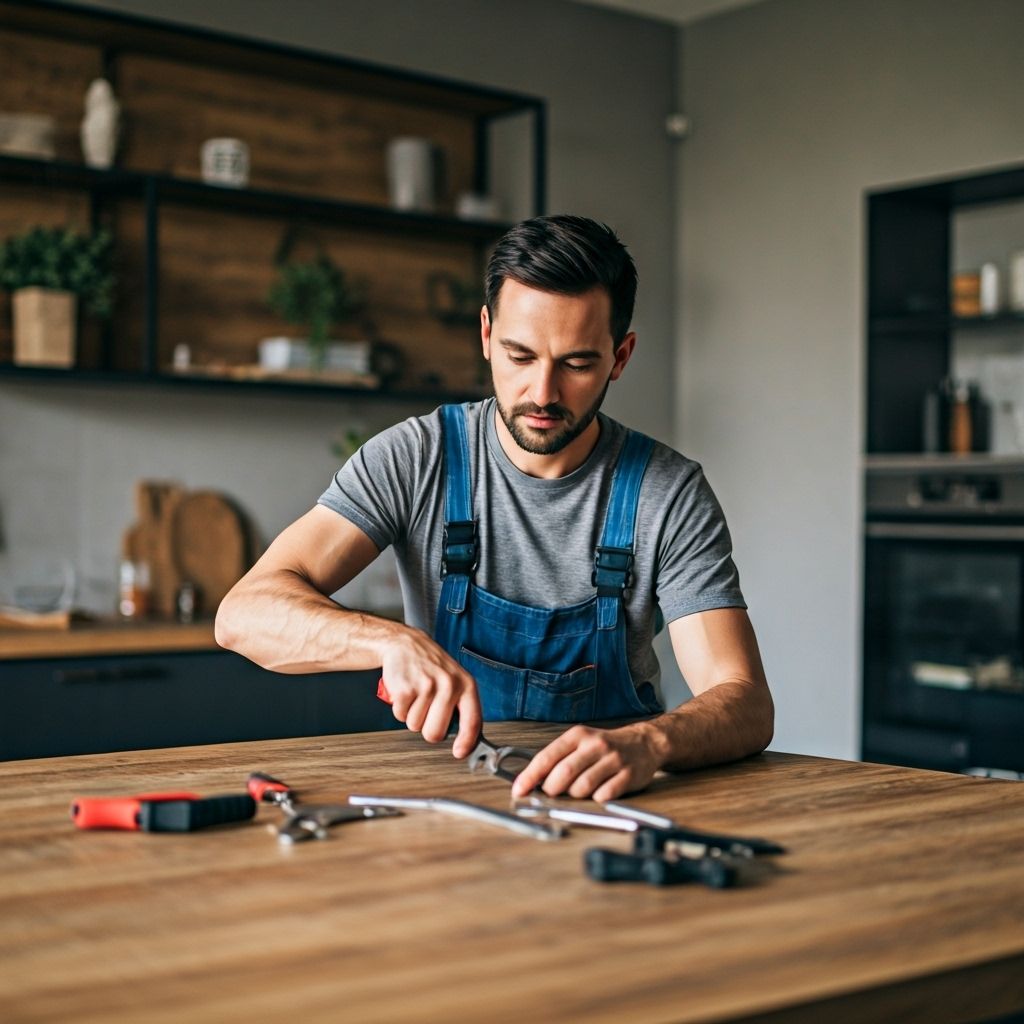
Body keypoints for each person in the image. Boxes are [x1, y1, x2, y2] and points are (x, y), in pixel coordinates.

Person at [216, 214, 773, 801]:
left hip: (608, 801)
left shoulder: (669, 493)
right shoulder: (417, 457)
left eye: (578, 364)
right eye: (519, 355)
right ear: (486, 335)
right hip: (440, 798)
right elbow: (243, 615)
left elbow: (745, 700)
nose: (542, 393)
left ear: (621, 356)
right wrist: (390, 643)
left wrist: (651, 743)